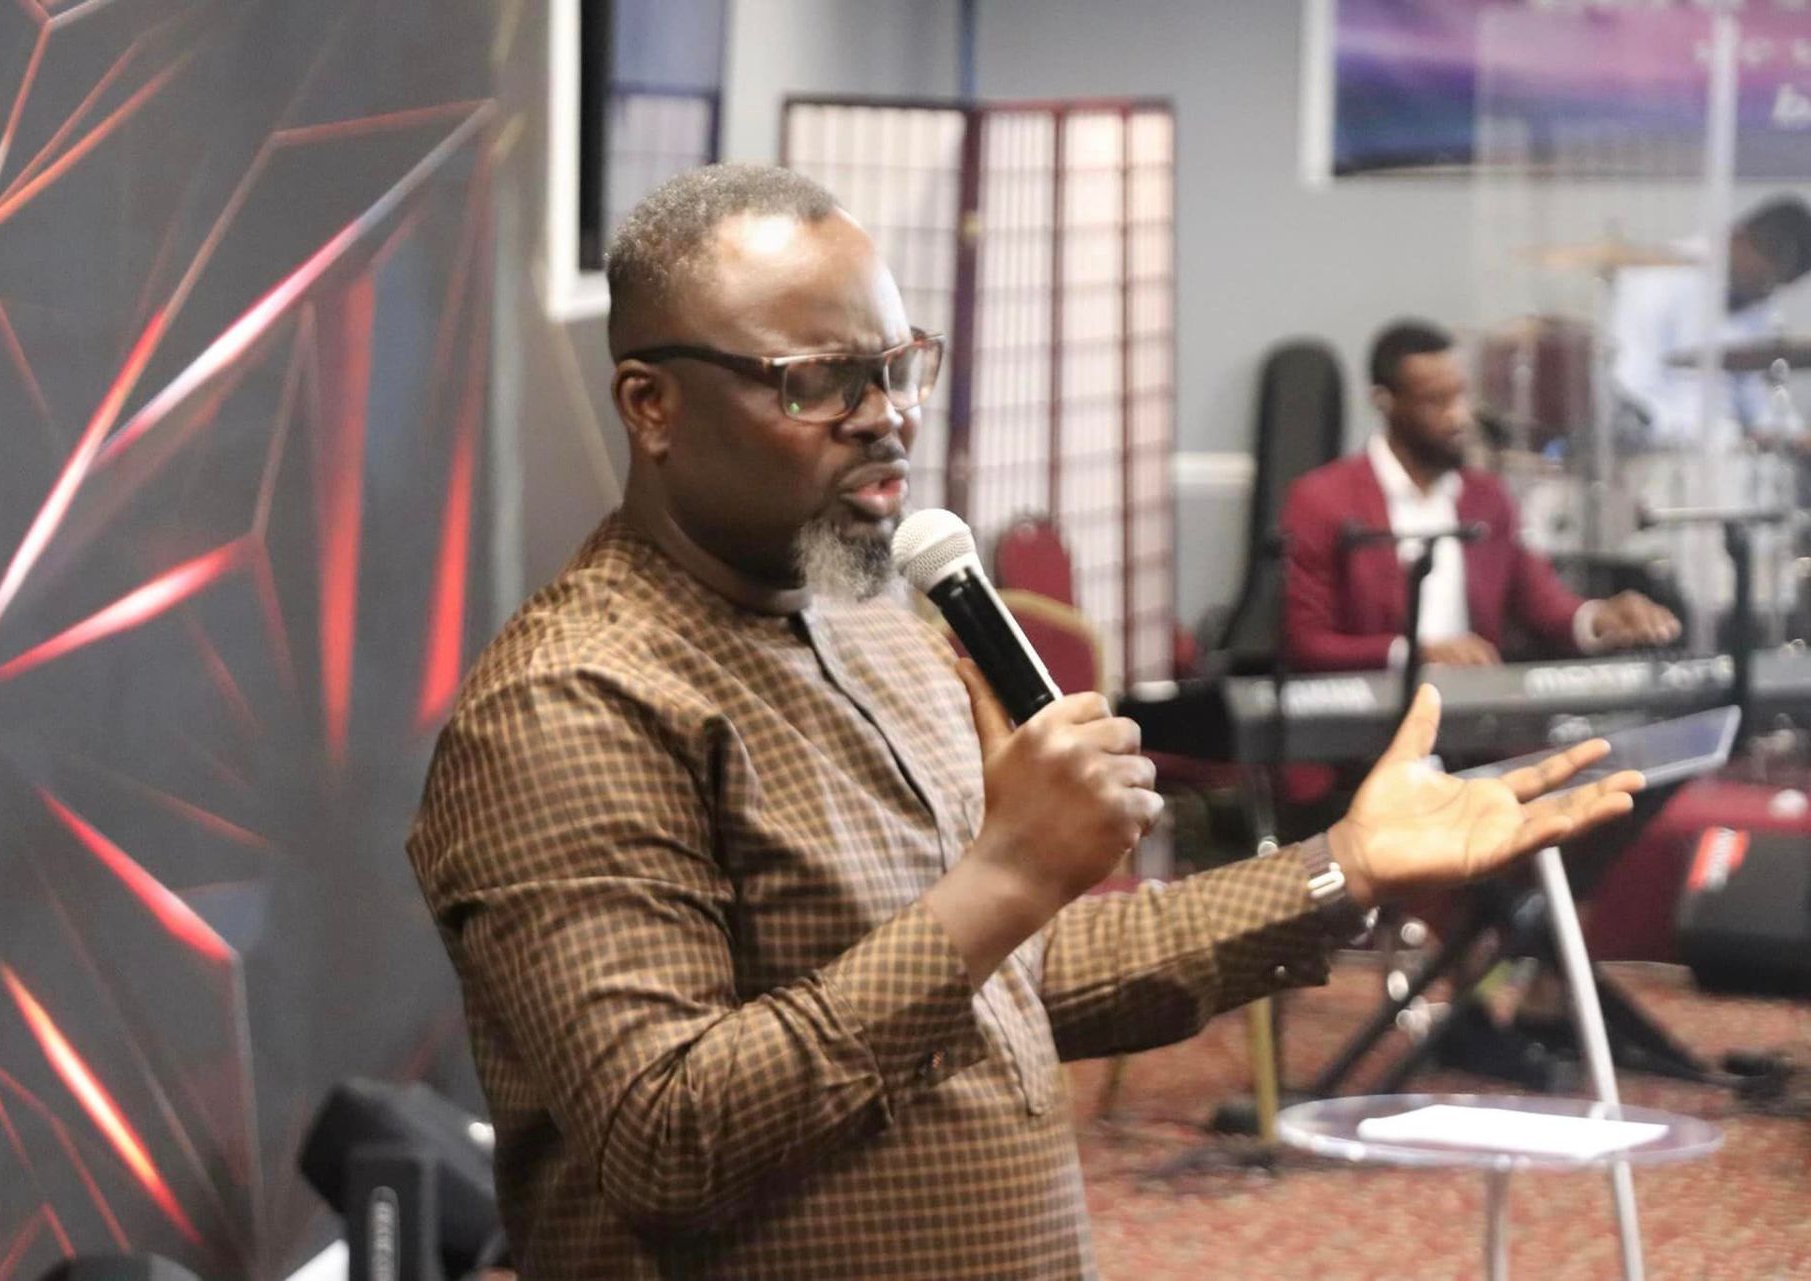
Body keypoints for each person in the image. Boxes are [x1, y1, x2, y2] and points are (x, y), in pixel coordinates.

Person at [407, 165, 1642, 1279]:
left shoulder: (880, 624)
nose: (885, 414)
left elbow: (1011, 981)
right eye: (818, 380)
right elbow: (667, 1138)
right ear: (652, 406)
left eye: (899, 366)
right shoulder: (574, 704)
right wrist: (1008, 874)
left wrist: (1340, 872)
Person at [1280, 319, 1681, 674]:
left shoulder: (1485, 498)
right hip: (1364, 736)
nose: (1459, 417)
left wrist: (1600, 619)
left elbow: (1542, 602)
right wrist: (1417, 654)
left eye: (1461, 396)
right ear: (1385, 403)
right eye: (1436, 401)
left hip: (1471, 727)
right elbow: (1306, 642)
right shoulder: (1323, 499)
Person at [1610, 195, 1811, 447]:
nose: (1766, 294)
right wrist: (1727, 438)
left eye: (1775, 286)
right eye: (1763, 280)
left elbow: (1756, 394)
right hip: (1668, 457)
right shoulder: (1657, 278)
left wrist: (1792, 434)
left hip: (1731, 455)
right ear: (1738, 239)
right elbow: (1634, 395)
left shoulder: (1755, 297)